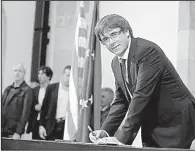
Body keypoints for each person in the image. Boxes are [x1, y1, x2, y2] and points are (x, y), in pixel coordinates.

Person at [89, 14, 195, 149]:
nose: (111, 42)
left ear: (126, 31)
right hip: (152, 122)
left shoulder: (147, 51)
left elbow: (141, 95)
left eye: (114, 34)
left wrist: (121, 139)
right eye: (105, 39)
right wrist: (105, 131)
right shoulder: (116, 63)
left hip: (175, 121)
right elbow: (121, 101)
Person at [39, 65, 71, 140]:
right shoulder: (52, 88)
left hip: (66, 128)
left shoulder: (74, 92)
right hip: (52, 126)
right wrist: (41, 125)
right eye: (67, 76)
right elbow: (44, 108)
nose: (69, 79)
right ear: (62, 75)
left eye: (71, 77)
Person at [2, 63, 33, 139]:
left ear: (24, 74)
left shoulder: (27, 90)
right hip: (2, 128)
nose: (17, 73)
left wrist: (18, 132)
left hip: (13, 131)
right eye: (15, 70)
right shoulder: (8, 89)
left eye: (20, 71)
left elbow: (25, 114)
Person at [26, 66, 53, 140]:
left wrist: (44, 107)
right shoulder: (34, 90)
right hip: (36, 122)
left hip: (48, 122)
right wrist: (34, 107)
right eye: (39, 74)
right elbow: (29, 106)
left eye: (42, 74)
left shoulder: (53, 90)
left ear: (49, 76)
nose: (39, 76)